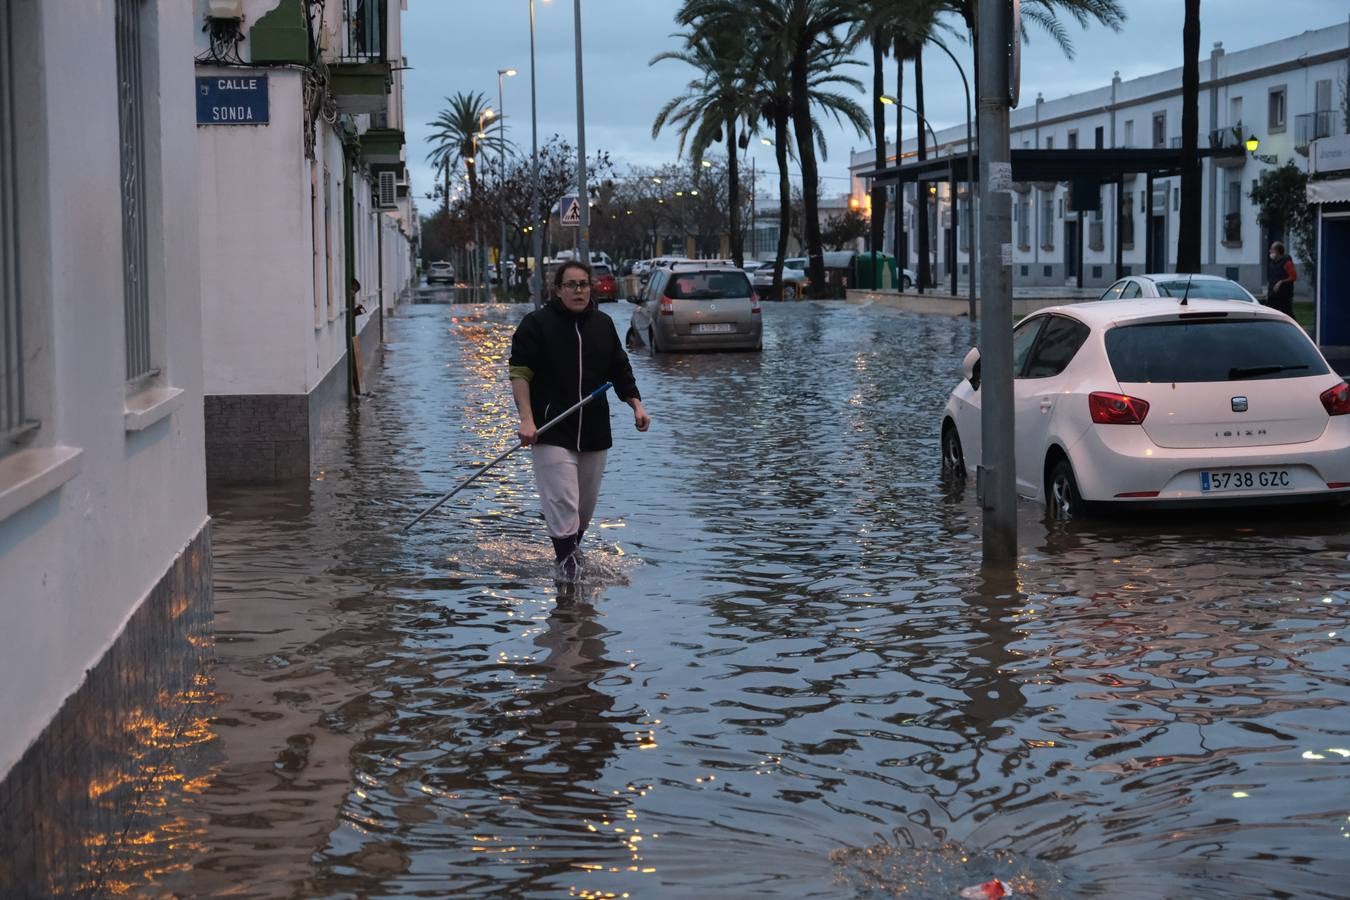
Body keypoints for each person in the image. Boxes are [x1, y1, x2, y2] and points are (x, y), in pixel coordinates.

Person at [508, 261, 650, 582]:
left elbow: (620, 370)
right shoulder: (536, 324)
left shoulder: (603, 325)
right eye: (571, 285)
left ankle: (572, 576)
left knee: (583, 511)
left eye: (584, 284)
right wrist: (526, 420)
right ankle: (569, 579)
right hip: (551, 429)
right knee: (563, 501)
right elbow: (519, 373)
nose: (579, 291)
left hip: (595, 432)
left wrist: (636, 406)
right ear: (557, 290)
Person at [1265, 241, 1297, 316]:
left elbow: (1293, 277)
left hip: (1284, 296)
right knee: (1271, 315)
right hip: (1273, 296)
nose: (1270, 251)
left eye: (1272, 249)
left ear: (1277, 251)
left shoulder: (1286, 262)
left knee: (1287, 315)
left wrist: (1281, 282)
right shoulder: (1272, 263)